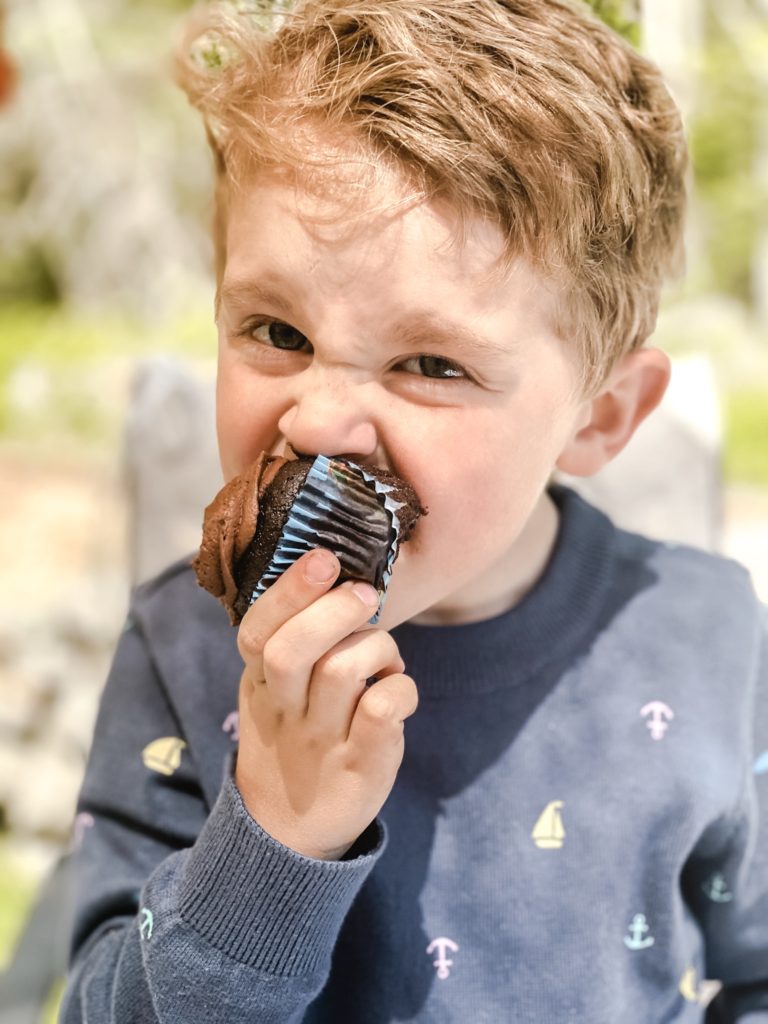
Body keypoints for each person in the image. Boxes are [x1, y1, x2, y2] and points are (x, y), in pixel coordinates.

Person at [61, 1, 768, 1021]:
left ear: (601, 416)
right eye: (276, 329)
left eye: (431, 363)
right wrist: (272, 835)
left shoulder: (706, 639)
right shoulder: (184, 652)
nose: (322, 421)